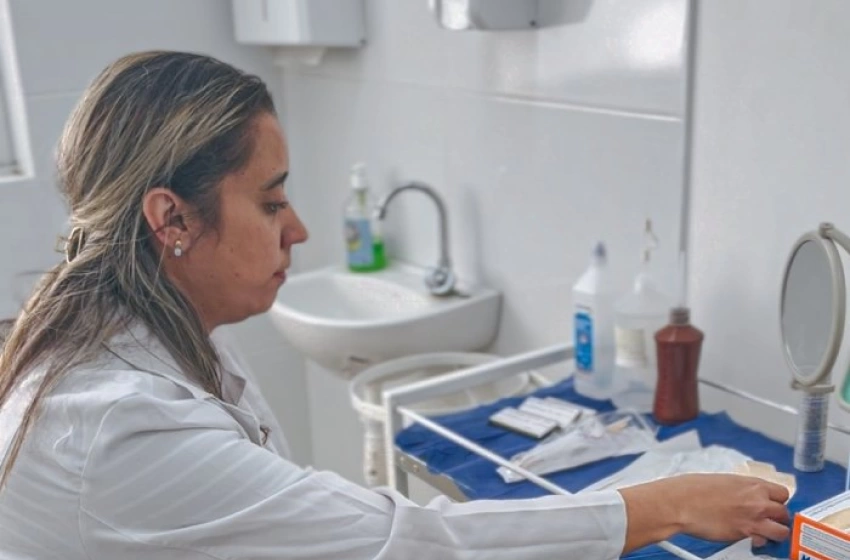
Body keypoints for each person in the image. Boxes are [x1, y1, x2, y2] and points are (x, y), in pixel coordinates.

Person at [0, 51, 790, 560]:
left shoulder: (148, 334)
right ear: (171, 219)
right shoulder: (119, 428)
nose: (299, 229)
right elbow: (404, 541)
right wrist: (664, 504)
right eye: (271, 203)